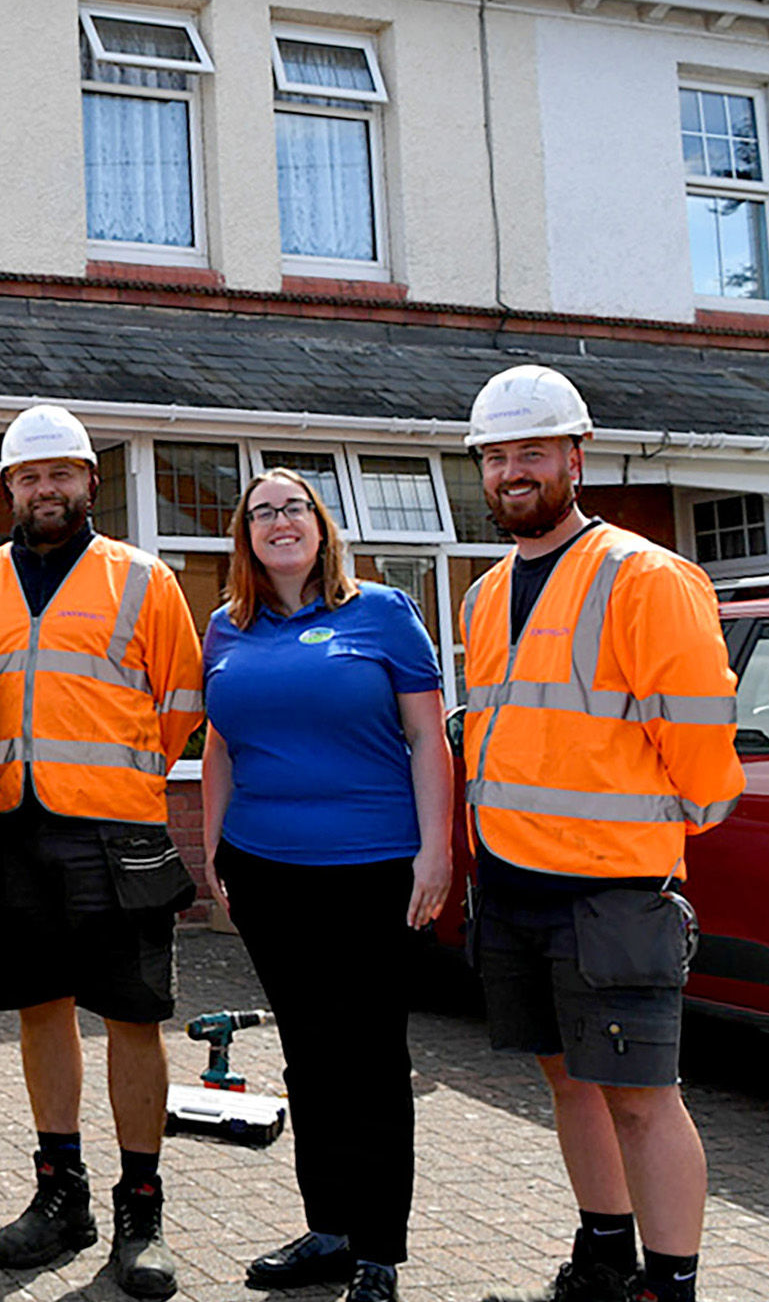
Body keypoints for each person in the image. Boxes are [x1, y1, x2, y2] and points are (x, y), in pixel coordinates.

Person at [459, 367, 742, 1302]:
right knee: (570, 1083)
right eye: (496, 456)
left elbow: (701, 742)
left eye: (533, 452)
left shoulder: (645, 577)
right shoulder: (485, 594)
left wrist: (676, 826)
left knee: (643, 1101)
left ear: (576, 459)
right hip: (514, 885)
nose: (513, 472)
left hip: (612, 895)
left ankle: (670, 1287)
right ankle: (605, 1258)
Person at [0, 403, 203, 1302]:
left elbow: (181, 704)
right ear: (9, 488)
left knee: (133, 1019)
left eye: (61, 472)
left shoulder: (145, 580)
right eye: (30, 476)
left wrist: (113, 780)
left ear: (91, 481)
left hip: (119, 834)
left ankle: (142, 1208)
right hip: (14, 832)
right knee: (41, 1011)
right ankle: (61, 1192)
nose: (46, 489)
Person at [199, 469, 453, 1302]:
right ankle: (331, 1229)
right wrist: (213, 850)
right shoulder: (226, 628)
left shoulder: (382, 612)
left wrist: (437, 851)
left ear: (321, 525)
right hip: (267, 872)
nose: (279, 522)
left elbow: (428, 738)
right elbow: (220, 747)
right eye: (261, 512)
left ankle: (378, 1251)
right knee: (309, 1058)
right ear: (245, 535)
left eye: (294, 508)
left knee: (370, 1058)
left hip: (374, 870)